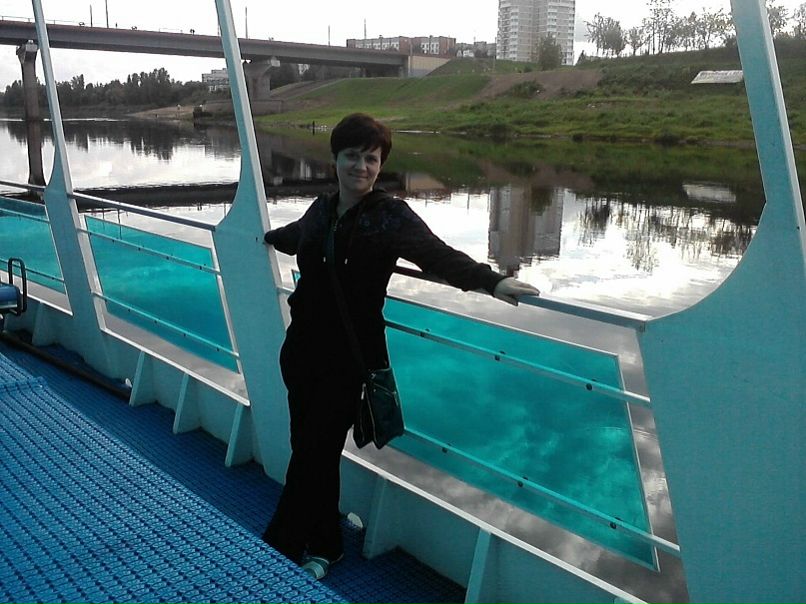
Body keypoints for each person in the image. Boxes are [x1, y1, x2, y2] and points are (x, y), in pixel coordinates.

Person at [262, 113, 540, 579]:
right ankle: (325, 545)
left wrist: (491, 281)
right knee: (308, 448)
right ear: (335, 159)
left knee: (314, 452)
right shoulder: (321, 210)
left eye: (371, 159)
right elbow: (294, 238)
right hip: (301, 351)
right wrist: (262, 236)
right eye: (352, 156)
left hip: (347, 360)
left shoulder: (389, 216)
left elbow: (436, 255)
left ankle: (278, 549)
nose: (361, 166)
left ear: (380, 165)